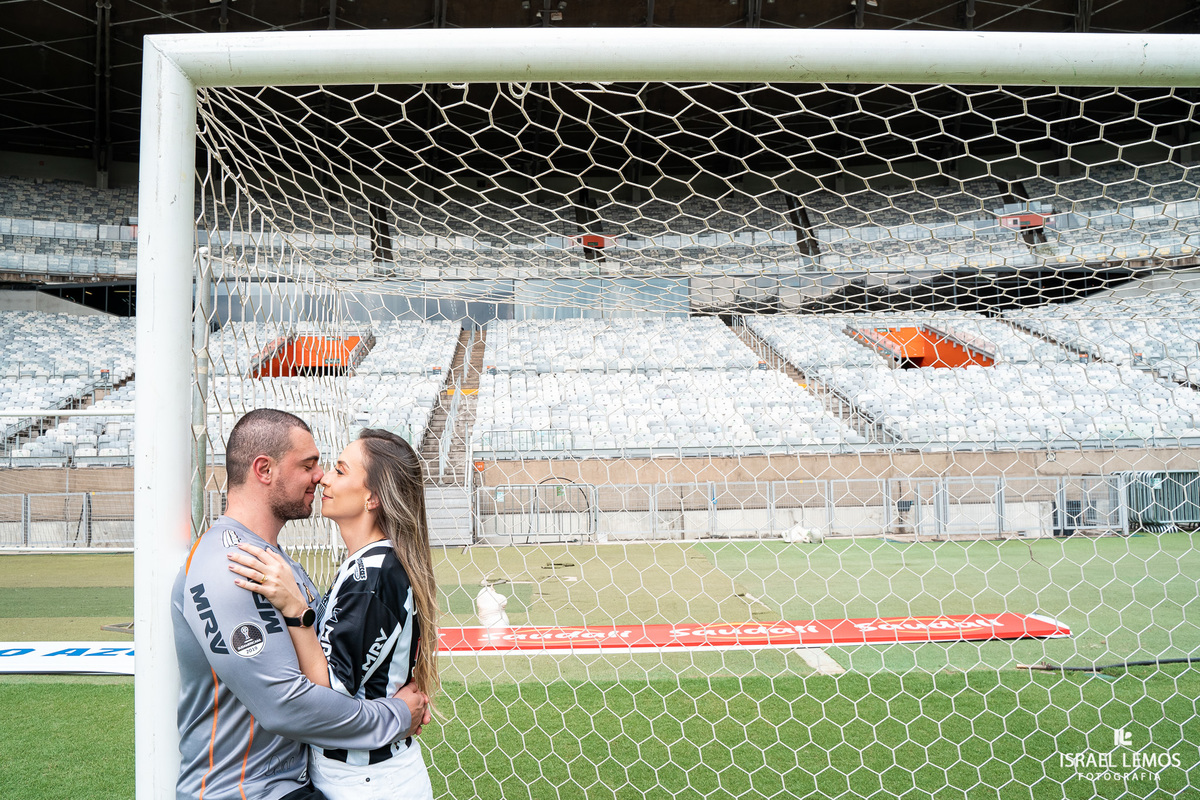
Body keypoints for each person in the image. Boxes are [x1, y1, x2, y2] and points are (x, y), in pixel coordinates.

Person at [172, 409, 431, 800]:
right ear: (264, 470)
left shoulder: (276, 561)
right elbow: (285, 707)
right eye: (309, 465)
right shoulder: (228, 566)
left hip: (296, 784)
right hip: (245, 791)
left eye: (333, 468)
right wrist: (396, 716)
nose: (321, 476)